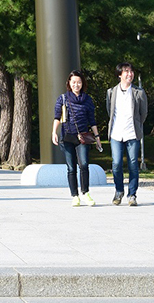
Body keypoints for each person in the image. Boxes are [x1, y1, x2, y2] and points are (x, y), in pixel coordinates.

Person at [52, 70, 102, 207]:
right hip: (67, 137)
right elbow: (57, 117)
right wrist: (54, 132)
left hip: (83, 137)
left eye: (79, 82)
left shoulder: (87, 100)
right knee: (71, 168)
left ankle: (85, 192)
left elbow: (92, 120)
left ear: (82, 83)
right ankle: (74, 196)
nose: (76, 84)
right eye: (73, 82)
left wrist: (97, 137)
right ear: (69, 83)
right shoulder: (63, 98)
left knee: (84, 164)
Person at [107, 62, 148, 206]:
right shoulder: (111, 92)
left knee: (132, 165)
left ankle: (132, 195)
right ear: (119, 75)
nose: (130, 74)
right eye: (126, 71)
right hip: (116, 134)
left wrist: (136, 124)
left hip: (132, 133)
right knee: (116, 164)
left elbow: (144, 114)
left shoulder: (139, 92)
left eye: (131, 71)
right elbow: (110, 112)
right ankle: (119, 191)